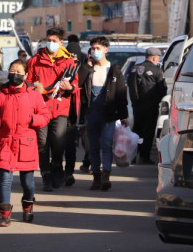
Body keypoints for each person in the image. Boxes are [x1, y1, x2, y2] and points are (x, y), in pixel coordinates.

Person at [0, 59, 51, 226]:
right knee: (5, 179)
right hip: (6, 143)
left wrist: (32, 119)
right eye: (12, 71)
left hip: (26, 144)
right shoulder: (0, 95)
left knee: (28, 183)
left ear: (26, 75)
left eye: (19, 72)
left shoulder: (34, 95)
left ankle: (28, 205)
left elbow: (45, 116)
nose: (15, 74)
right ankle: (5, 214)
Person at [26, 27, 77, 191]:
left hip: (60, 108)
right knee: (42, 143)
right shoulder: (35, 60)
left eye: (54, 41)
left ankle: (57, 168)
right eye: (49, 40)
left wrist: (69, 87)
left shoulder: (68, 61)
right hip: (40, 108)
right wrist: (34, 87)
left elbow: (75, 87)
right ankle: (46, 175)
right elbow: (27, 83)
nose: (51, 43)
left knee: (58, 141)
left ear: (61, 42)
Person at [78, 36, 128, 191]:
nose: (95, 51)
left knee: (106, 144)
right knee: (93, 147)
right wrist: (87, 65)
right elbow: (78, 83)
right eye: (93, 48)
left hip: (108, 113)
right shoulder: (88, 68)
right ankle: (96, 177)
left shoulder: (114, 70)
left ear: (106, 49)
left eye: (98, 48)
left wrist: (123, 115)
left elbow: (120, 93)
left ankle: (106, 174)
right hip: (91, 113)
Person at [128, 47, 167, 164]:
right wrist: (160, 99)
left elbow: (131, 87)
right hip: (151, 106)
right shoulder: (157, 70)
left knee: (137, 130)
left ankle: (133, 154)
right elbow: (162, 89)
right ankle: (144, 156)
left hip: (137, 105)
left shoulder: (134, 69)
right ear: (155, 58)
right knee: (148, 132)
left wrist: (135, 101)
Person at [63, 34, 85, 186]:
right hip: (61, 110)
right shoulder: (62, 65)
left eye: (76, 59)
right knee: (58, 144)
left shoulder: (84, 69)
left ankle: (69, 172)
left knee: (70, 145)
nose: (73, 61)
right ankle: (59, 170)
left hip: (75, 113)